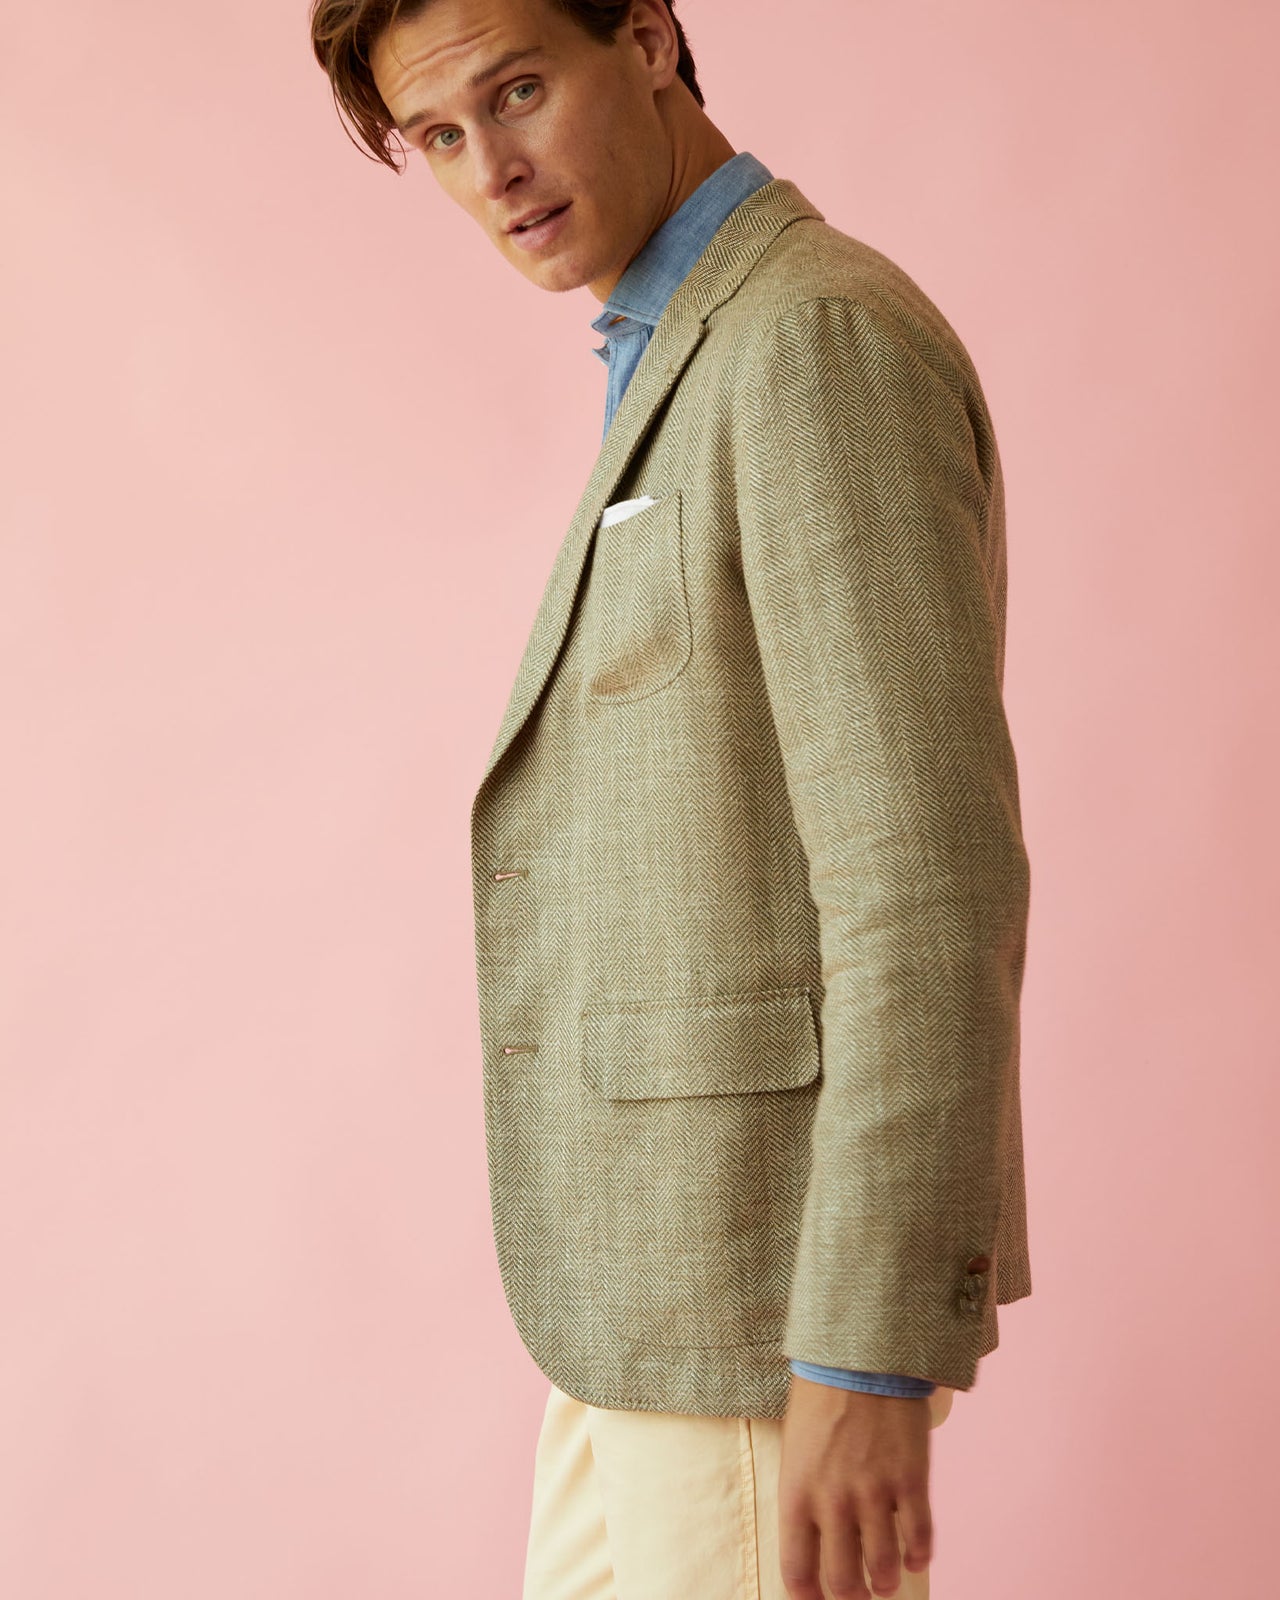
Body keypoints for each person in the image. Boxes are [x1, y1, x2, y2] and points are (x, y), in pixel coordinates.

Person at [308, 2, 1033, 1595]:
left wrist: (864, 1348)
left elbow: (924, 873)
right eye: (440, 137)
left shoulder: (810, 339)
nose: (493, 171)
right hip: (643, 1305)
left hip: (766, 1309)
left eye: (518, 91)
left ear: (645, 38)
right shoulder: (682, 343)